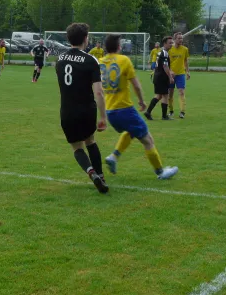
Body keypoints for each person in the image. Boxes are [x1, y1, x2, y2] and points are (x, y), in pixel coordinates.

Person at [100, 34, 178, 180]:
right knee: (148, 139)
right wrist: (142, 101)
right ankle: (160, 172)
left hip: (110, 111)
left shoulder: (101, 62)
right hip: (125, 109)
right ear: (118, 46)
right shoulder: (124, 60)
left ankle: (114, 157)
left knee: (131, 132)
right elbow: (135, 84)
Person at [55, 22, 109, 194]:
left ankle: (90, 172)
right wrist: (103, 116)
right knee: (90, 141)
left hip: (67, 111)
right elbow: (99, 92)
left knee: (77, 147)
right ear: (85, 39)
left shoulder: (60, 59)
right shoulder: (90, 60)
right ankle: (100, 174)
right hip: (86, 110)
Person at [144, 36, 175, 121]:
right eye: (170, 43)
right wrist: (170, 76)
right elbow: (165, 66)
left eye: (172, 43)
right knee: (164, 95)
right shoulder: (164, 53)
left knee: (160, 96)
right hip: (161, 77)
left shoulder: (161, 52)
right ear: (164, 43)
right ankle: (164, 116)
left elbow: (163, 65)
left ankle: (149, 112)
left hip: (158, 76)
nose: (171, 45)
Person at [168, 32, 190, 118]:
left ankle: (182, 112)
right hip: (171, 74)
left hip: (181, 74)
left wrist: (187, 71)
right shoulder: (170, 50)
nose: (181, 40)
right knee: (170, 93)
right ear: (174, 39)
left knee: (181, 92)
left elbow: (185, 61)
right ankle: (171, 111)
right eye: (179, 38)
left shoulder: (185, 49)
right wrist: (169, 71)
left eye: (181, 38)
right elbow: (167, 63)